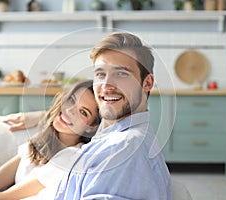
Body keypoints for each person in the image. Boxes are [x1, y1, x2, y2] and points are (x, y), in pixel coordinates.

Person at [51, 32, 171, 199]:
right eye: (100, 74)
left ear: (147, 83)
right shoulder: (114, 135)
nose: (106, 86)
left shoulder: (124, 147)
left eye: (121, 74)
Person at [0, 80, 101, 200]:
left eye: (83, 112)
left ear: (90, 128)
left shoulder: (71, 158)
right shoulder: (40, 143)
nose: (69, 111)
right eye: (71, 100)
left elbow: (5, 198)